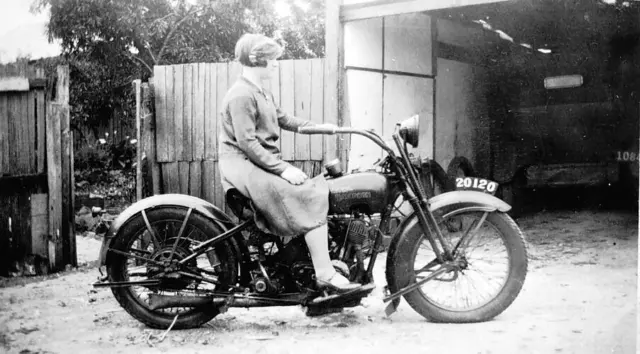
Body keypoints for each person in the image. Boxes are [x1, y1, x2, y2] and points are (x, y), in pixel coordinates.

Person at [218, 33, 364, 293]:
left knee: (310, 188)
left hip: (256, 162)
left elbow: (286, 119)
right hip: (242, 165)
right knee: (307, 194)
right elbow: (248, 144)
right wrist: (283, 169)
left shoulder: (261, 92)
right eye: (272, 59)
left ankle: (313, 260)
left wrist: (324, 128)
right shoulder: (241, 94)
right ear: (256, 60)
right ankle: (325, 273)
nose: (276, 64)